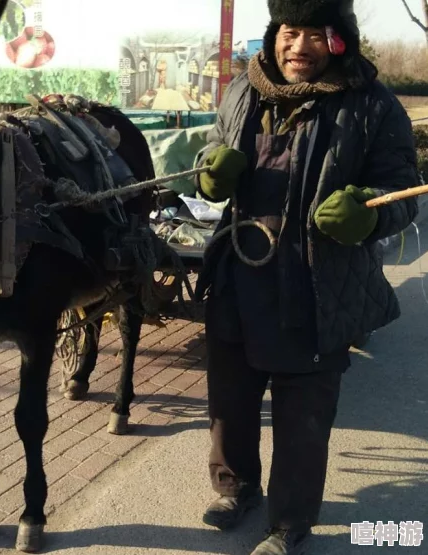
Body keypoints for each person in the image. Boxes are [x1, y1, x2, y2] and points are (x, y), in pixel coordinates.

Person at [193, 1, 420, 554]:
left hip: (316, 283)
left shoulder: (371, 104)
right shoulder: (242, 90)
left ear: (338, 39)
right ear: (274, 36)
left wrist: (369, 213)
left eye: (314, 35)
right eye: (290, 34)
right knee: (232, 397)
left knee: (303, 412)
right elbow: (211, 147)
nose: (298, 47)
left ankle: (289, 521)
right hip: (239, 272)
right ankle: (236, 487)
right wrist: (209, 174)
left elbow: (402, 189)